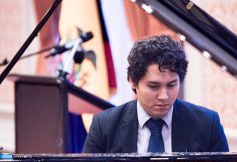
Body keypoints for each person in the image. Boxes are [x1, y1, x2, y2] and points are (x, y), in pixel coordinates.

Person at [83, 35, 229, 153]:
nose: (164, 96)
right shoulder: (104, 126)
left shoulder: (207, 124)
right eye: (153, 86)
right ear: (133, 82)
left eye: (171, 85)